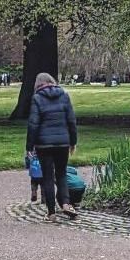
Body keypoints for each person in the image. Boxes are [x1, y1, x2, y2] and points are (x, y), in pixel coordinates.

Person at [25, 71, 79, 219]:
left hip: (44, 144)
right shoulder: (64, 95)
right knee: (61, 174)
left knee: (47, 177)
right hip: (62, 142)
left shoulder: (37, 98)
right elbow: (71, 121)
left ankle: (51, 212)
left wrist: (29, 146)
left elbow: (33, 124)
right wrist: (73, 141)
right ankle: (66, 203)